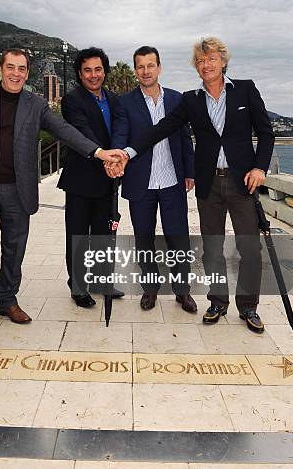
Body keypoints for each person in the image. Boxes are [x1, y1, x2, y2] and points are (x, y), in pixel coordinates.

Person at [0, 48, 126, 338]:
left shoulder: (36, 104)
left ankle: (7, 300)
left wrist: (98, 152)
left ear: (27, 73)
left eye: (21, 68)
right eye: (10, 67)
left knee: (14, 250)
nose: (15, 73)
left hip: (19, 190)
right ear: (0, 68)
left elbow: (64, 131)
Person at [107, 37, 274, 333]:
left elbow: (266, 132)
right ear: (195, 67)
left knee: (250, 249)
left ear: (223, 61)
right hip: (209, 184)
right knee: (212, 248)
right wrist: (127, 153)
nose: (206, 65)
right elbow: (161, 129)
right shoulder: (190, 100)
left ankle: (248, 307)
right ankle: (218, 302)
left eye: (211, 59)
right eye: (200, 61)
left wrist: (260, 167)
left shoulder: (245, 89)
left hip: (242, 182)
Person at [111, 46, 197, 312]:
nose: (146, 71)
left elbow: (185, 138)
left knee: (178, 237)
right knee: (144, 238)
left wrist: (190, 171)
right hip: (141, 183)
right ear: (136, 70)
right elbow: (121, 135)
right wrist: (116, 157)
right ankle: (150, 289)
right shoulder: (125, 102)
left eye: (151, 65)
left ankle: (183, 291)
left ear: (159, 67)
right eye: (140, 66)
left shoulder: (177, 99)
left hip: (172, 180)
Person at [57, 47, 125, 307]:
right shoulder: (72, 101)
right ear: (79, 73)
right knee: (78, 236)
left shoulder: (115, 99)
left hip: (108, 181)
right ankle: (78, 287)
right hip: (80, 181)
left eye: (98, 69)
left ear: (104, 71)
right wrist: (106, 157)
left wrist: (116, 156)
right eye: (88, 70)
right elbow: (83, 134)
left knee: (104, 235)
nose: (93, 75)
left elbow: (121, 128)